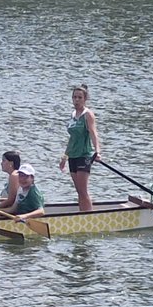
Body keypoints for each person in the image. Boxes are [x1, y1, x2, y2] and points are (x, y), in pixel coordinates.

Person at [59, 84, 101, 212]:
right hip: (73, 156)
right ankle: (83, 211)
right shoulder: (73, 115)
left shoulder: (88, 115)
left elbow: (93, 133)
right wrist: (64, 158)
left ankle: (88, 215)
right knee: (78, 190)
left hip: (84, 155)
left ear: (85, 99)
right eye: (74, 97)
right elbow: (72, 139)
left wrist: (97, 151)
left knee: (83, 191)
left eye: (79, 97)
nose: (76, 100)